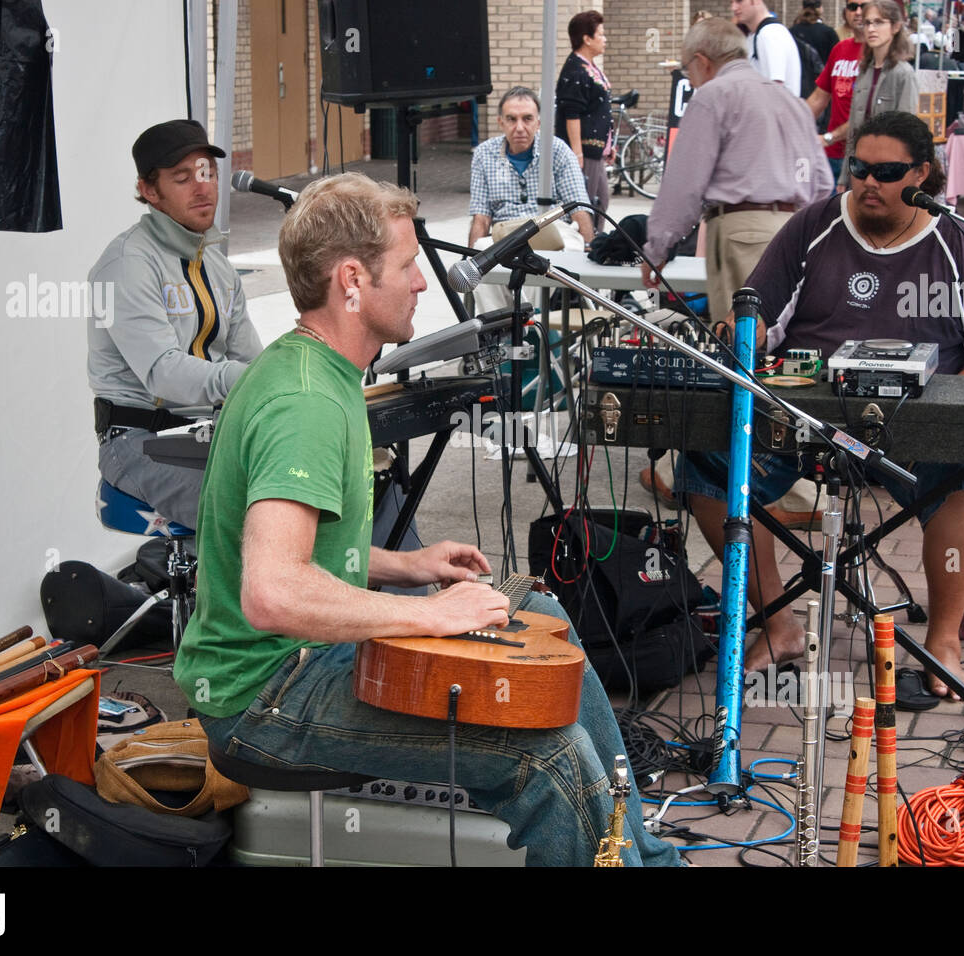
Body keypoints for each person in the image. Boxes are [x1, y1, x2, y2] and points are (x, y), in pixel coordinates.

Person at [174, 172, 680, 867]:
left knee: (531, 609)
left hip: (297, 661)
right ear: (352, 279)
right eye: (408, 264)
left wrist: (406, 568)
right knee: (546, 756)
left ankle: (639, 856)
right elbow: (273, 591)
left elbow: (291, 552)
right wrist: (428, 614)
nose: (421, 283)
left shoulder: (321, 371)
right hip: (264, 699)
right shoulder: (306, 405)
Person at [682, 111, 964, 699]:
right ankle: (779, 625)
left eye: (886, 172)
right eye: (858, 168)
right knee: (707, 468)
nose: (867, 183)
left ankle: (944, 644)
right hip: (811, 422)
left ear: (922, 175)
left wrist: (960, 415)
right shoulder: (812, 227)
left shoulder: (961, 245)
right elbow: (756, 314)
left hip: (921, 425)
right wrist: (731, 334)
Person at [88, 119, 262, 531]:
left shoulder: (217, 265)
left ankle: (403, 593)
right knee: (265, 518)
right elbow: (164, 374)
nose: (202, 187)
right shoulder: (128, 264)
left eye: (208, 173)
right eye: (182, 178)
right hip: (138, 443)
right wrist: (257, 379)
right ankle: (227, 596)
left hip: (207, 435)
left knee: (340, 483)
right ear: (150, 191)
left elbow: (251, 357)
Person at [640, 17, 833, 324]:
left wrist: (657, 248)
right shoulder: (791, 101)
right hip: (795, 229)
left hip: (741, 231)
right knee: (782, 343)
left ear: (702, 61)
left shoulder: (713, 96)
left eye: (687, 69)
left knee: (741, 346)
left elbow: (684, 184)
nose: (689, 80)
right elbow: (820, 181)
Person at [467, 86, 594, 314]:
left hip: (554, 230)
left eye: (527, 119)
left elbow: (579, 207)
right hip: (504, 234)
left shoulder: (558, 151)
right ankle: (499, 332)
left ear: (538, 122)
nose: (520, 127)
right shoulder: (484, 154)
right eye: (511, 119)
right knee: (481, 255)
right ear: (500, 122)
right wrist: (471, 259)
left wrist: (590, 251)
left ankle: (529, 327)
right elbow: (481, 216)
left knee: (537, 259)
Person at [837, 0, 918, 190]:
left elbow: (906, 133)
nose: (871, 29)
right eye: (867, 23)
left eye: (879, 22)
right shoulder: (864, 71)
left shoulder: (903, 74)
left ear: (895, 27)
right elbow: (853, 131)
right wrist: (843, 177)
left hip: (887, 175)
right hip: (858, 170)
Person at [556, 10, 614, 220]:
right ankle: (586, 245)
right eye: (601, 34)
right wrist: (577, 154)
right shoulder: (575, 71)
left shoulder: (589, 66)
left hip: (597, 149)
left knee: (601, 201)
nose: (605, 39)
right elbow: (572, 113)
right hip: (585, 150)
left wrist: (609, 144)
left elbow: (600, 108)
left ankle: (594, 244)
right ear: (587, 39)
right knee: (587, 205)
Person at [805, 0, 867, 181]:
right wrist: (793, 124)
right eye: (853, 7)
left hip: (861, 156)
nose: (858, 12)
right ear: (845, 12)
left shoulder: (878, 55)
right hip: (831, 153)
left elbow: (868, 113)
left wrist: (829, 137)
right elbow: (819, 98)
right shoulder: (840, 49)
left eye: (864, 6)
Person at [731, 0, 802, 92]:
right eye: (731, 2)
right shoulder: (756, 34)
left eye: (739, 1)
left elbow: (776, 87)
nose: (733, 7)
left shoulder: (770, 33)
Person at [791, 0, 839, 66]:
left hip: (799, 75)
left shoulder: (792, 32)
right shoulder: (828, 32)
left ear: (803, 8)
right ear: (820, 9)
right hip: (822, 75)